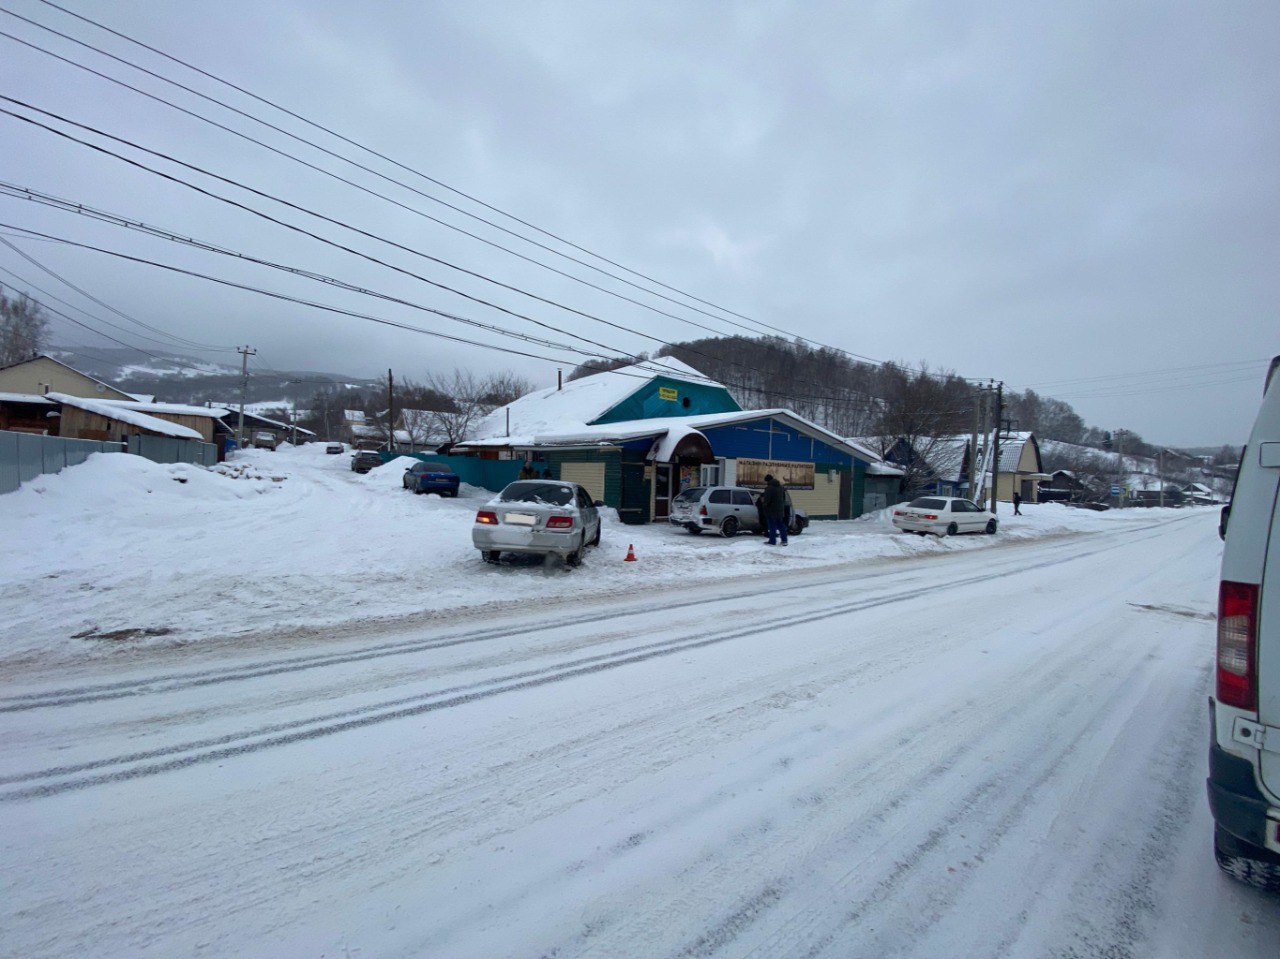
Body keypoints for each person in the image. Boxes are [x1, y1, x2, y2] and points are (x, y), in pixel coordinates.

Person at [761, 473, 788, 546]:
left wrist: (764, 504)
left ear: (767, 481)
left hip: (771, 510)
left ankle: (772, 541)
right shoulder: (781, 487)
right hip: (780, 510)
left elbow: (767, 500)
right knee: (780, 525)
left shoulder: (769, 488)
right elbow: (783, 498)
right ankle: (784, 540)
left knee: (772, 526)